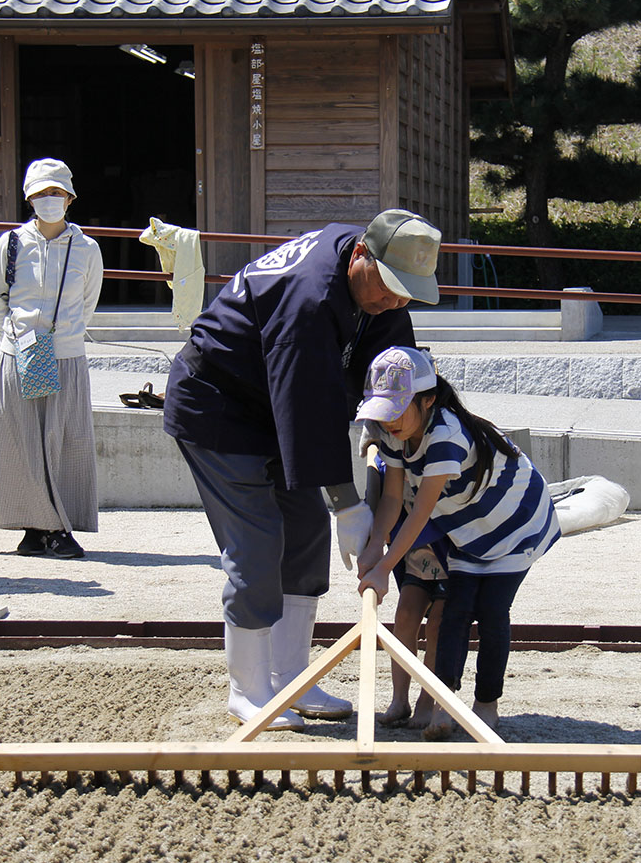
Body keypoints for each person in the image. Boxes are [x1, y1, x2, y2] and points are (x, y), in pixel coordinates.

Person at [162, 209, 441, 730]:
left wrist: (383, 446)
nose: (394, 302)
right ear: (362, 255)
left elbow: (389, 382)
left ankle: (293, 677)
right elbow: (305, 406)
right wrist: (348, 503)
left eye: (409, 293)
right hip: (220, 408)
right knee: (258, 542)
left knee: (307, 532)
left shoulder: (384, 296)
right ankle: (248, 688)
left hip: (275, 410)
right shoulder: (308, 298)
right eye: (388, 287)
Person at [355, 346, 561, 740]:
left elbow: (420, 513)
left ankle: (487, 704)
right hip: (467, 532)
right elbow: (393, 499)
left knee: (492, 611)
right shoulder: (396, 433)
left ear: (428, 399)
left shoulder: (446, 436)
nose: (390, 421)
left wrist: (383, 568)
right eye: (383, 411)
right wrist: (373, 545)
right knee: (453, 615)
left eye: (398, 409)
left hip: (515, 524)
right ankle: (442, 704)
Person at [0, 159, 103, 558]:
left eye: (56, 193)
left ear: (69, 198)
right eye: (41, 193)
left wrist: (62, 336)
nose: (49, 200)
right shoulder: (11, 243)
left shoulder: (87, 248)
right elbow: (0, 299)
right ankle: (38, 528)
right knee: (22, 441)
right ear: (29, 198)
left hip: (66, 353)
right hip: (22, 353)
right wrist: (14, 341)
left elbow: (88, 303)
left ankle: (55, 526)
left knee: (65, 441)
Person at [362, 444, 449, 729]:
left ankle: (428, 700)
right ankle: (399, 699)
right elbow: (383, 500)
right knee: (405, 617)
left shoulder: (444, 456)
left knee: (438, 626)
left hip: (452, 559)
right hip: (415, 557)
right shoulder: (393, 464)